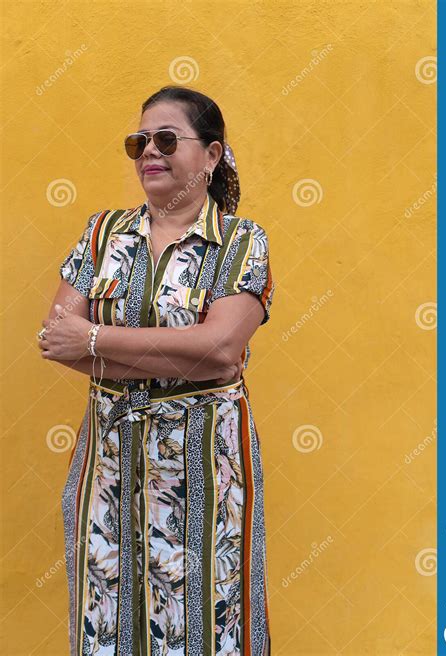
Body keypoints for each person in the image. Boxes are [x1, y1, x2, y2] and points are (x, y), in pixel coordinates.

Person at [37, 85, 275, 656]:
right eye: (138, 141)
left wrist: (96, 338)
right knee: (107, 617)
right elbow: (55, 339)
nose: (150, 151)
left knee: (206, 622)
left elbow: (221, 347)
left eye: (166, 139)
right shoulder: (103, 235)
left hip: (205, 467)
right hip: (108, 465)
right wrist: (188, 353)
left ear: (212, 155)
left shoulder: (240, 242)